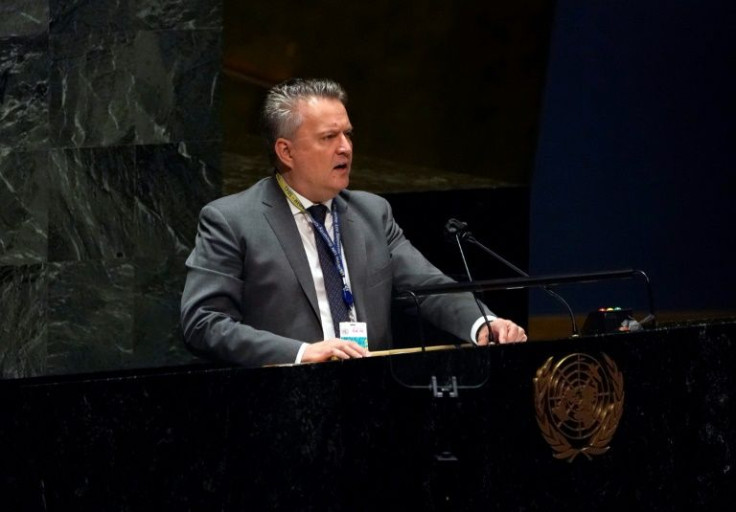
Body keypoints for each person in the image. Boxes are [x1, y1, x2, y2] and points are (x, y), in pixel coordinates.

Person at [181, 78, 527, 368]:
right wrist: (301, 353)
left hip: (372, 399)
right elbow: (204, 322)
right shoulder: (232, 220)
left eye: (348, 134)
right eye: (329, 138)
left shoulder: (371, 213)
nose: (345, 148)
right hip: (283, 402)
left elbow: (428, 286)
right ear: (286, 152)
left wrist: (483, 323)